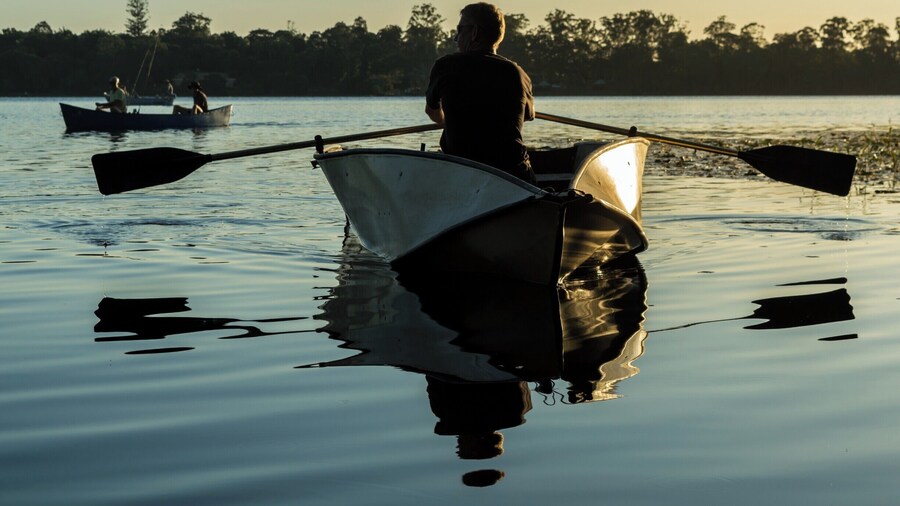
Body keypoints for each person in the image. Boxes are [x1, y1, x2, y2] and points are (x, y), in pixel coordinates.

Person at [425, 2, 535, 184]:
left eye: (459, 30)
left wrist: (452, 121)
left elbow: (433, 112)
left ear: (474, 32)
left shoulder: (445, 66)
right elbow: (527, 116)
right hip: (515, 177)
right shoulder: (518, 73)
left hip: (464, 173)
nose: (455, 37)